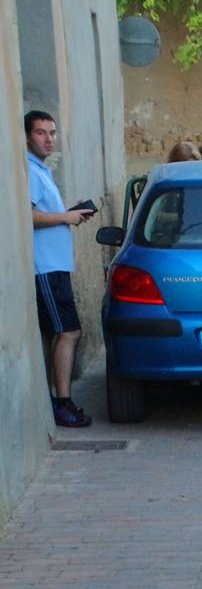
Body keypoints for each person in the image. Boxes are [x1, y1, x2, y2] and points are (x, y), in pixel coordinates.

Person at [26, 110, 94, 428]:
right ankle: (62, 402)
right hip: (45, 269)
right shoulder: (30, 170)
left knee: (65, 332)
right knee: (67, 332)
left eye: (52, 132)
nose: (48, 139)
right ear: (27, 137)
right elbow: (28, 215)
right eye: (40, 133)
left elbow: (45, 213)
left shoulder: (41, 170)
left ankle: (59, 399)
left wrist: (70, 213)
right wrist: (66, 217)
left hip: (56, 266)